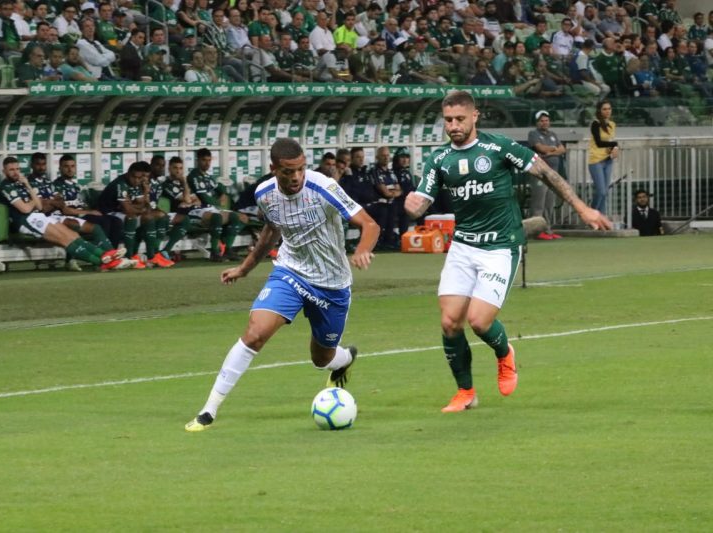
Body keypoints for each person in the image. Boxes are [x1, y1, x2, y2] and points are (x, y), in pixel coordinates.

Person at [404, 91, 611, 413]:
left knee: (479, 322)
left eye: (460, 119)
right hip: (462, 246)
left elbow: (547, 173)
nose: (454, 126)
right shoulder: (439, 159)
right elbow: (422, 198)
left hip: (500, 246)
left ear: (475, 117)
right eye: (448, 120)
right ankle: (466, 392)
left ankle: (504, 354)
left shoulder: (498, 147)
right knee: (449, 323)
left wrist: (583, 209)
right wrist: (413, 204)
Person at [185, 138, 380, 432]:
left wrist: (363, 249)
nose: (296, 177)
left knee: (321, 358)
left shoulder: (324, 187)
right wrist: (244, 268)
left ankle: (344, 358)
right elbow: (270, 232)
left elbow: (370, 224)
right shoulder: (264, 194)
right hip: (291, 272)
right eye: (289, 171)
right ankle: (209, 410)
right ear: (274, 169)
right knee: (254, 334)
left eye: (301, 169)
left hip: (332, 284)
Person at [0, 157, 132, 271]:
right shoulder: (6, 187)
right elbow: (25, 209)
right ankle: (103, 262)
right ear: (4, 171)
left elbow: (38, 205)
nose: (15, 172)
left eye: (17, 169)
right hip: (26, 220)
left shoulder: (21, 184)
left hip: (39, 216)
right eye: (11, 170)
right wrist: (35, 199)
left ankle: (107, 256)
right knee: (65, 240)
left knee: (73, 236)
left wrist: (29, 187)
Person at [527, 110, 566, 240]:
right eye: (542, 121)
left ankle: (548, 229)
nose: (545, 123)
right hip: (539, 174)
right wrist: (554, 149)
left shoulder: (553, 134)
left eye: (546, 120)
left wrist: (551, 151)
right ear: (537, 122)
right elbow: (541, 149)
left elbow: (562, 149)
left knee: (550, 203)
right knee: (539, 203)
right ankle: (536, 232)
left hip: (552, 174)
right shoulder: (533, 134)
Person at [588, 100, 619, 215]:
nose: (607, 111)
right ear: (599, 111)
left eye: (609, 109)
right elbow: (599, 143)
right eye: (604, 109)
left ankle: (602, 218)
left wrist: (614, 148)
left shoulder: (612, 124)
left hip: (608, 160)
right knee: (601, 191)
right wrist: (615, 145)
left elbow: (610, 141)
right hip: (596, 160)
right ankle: (591, 213)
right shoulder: (595, 123)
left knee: (605, 192)